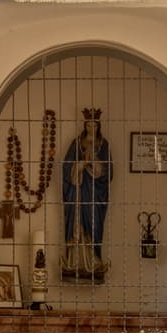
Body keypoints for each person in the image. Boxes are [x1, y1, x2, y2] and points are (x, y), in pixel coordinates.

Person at [61, 108, 113, 282]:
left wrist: (94, 166)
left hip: (95, 195)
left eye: (94, 125)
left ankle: (94, 261)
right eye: (88, 125)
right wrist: (79, 165)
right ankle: (74, 262)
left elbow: (109, 171)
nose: (91, 128)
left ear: (98, 126)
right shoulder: (76, 144)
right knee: (76, 223)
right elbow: (66, 167)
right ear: (85, 126)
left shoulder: (103, 145)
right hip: (78, 192)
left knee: (94, 224)